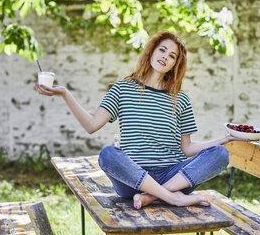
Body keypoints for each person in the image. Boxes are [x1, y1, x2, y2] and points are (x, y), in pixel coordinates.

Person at [35, 31, 241, 209]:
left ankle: (152, 196)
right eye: (162, 50)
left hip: (173, 175)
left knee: (220, 154)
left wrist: (225, 139)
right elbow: (91, 126)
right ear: (151, 51)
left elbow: (186, 148)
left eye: (172, 56)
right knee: (108, 154)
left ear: (175, 65)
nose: (165, 57)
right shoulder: (122, 89)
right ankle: (172, 198)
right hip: (133, 179)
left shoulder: (181, 99)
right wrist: (64, 93)